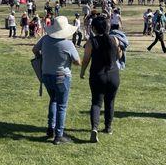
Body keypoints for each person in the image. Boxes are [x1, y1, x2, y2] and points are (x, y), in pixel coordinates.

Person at [32, 16, 81, 145]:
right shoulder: (67, 44)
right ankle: (59, 135)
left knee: (53, 100)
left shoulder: (45, 39)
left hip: (46, 75)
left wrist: (41, 57)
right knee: (62, 105)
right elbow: (77, 62)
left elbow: (35, 50)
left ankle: (51, 128)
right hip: (61, 76)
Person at [80, 16, 123, 142]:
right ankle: (108, 128)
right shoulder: (114, 39)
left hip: (98, 75)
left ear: (93, 28)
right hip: (113, 74)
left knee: (96, 102)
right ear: (107, 27)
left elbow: (86, 59)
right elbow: (119, 55)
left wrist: (82, 72)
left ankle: (94, 128)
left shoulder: (91, 42)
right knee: (110, 102)